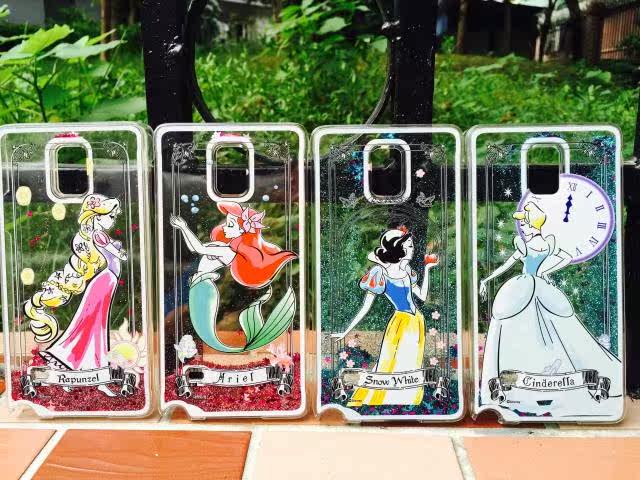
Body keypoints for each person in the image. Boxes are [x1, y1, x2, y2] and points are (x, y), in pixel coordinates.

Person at [479, 202, 622, 415]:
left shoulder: (534, 245)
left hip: (530, 289)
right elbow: (513, 264)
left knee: (543, 332)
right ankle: (529, 382)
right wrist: (488, 279)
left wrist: (544, 271)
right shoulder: (540, 244)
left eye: (524, 223)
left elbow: (563, 258)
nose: (522, 227)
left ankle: (542, 382)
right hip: (533, 288)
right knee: (534, 332)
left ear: (532, 224)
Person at [25, 194, 127, 397]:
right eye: (110, 216)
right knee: (93, 326)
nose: (113, 220)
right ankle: (84, 369)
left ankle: (88, 371)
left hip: (107, 281)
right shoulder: (98, 236)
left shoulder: (100, 235)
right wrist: (121, 253)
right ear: (97, 216)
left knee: (96, 327)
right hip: (104, 282)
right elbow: (116, 253)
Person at [170, 201, 296, 353]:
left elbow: (199, 248)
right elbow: (195, 248)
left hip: (204, 288)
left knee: (206, 332)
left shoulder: (229, 252)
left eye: (230, 225)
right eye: (226, 223)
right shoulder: (223, 247)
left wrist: (183, 227)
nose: (224, 227)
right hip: (201, 286)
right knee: (203, 331)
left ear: (242, 231)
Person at [332, 227, 438, 406]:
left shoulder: (407, 271)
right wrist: (345, 331)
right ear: (399, 249)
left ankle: (408, 398)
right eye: (409, 246)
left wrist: (427, 269)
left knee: (412, 361)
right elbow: (365, 307)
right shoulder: (380, 274)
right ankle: (384, 398)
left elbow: (422, 296)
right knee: (391, 361)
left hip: (417, 321)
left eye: (411, 245)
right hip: (401, 322)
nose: (413, 249)